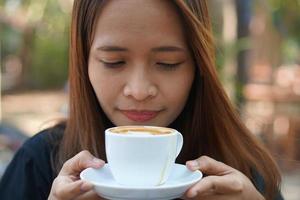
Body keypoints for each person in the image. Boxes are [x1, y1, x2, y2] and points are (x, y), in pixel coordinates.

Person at [0, 0, 283, 199]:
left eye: (168, 63)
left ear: (199, 65)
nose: (138, 90)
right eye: (113, 61)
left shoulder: (240, 170)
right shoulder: (38, 164)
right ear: (84, 61)